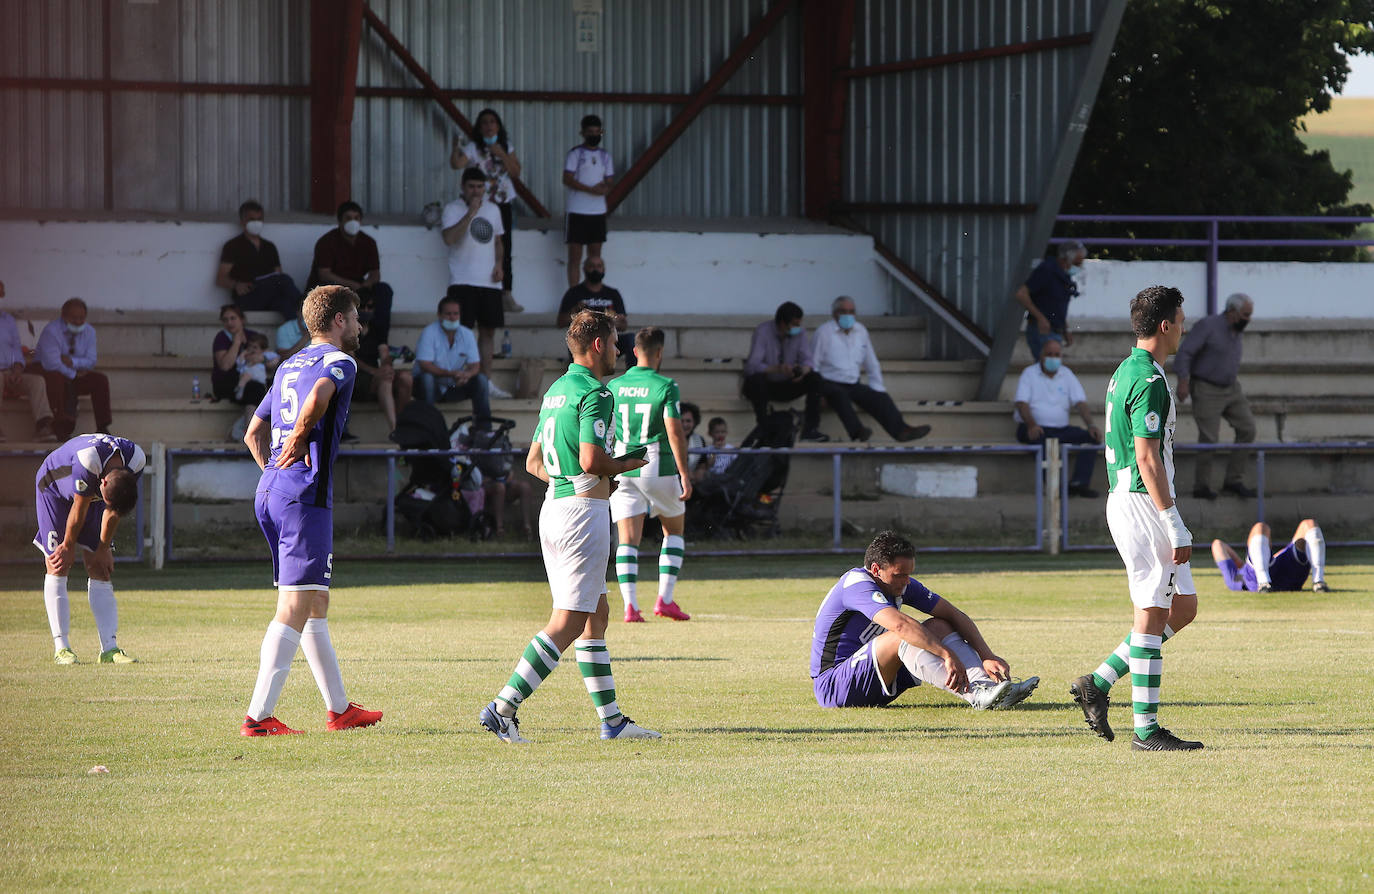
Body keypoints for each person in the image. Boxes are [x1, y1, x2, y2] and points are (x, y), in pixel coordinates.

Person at [479, 310, 660, 744]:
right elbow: (591, 461)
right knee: (569, 621)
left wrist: (577, 483)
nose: (619, 349)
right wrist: (627, 463)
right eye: (616, 341)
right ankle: (502, 708)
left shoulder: (556, 390)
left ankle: (613, 721)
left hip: (556, 508)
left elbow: (533, 463)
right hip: (582, 517)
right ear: (598, 344)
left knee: (596, 615)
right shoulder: (596, 393)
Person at [239, 285, 382, 736]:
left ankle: (339, 710)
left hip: (273, 491)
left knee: (315, 600)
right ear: (338, 320)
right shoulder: (338, 361)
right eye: (355, 316)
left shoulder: (287, 363)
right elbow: (320, 395)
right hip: (303, 495)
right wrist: (301, 438)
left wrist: (274, 475)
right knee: (295, 605)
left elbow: (253, 432)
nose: (359, 325)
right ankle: (258, 718)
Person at [1069, 285, 1204, 752]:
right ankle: (1146, 731)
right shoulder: (1148, 379)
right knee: (1149, 616)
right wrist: (1172, 520)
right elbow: (1147, 458)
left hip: (1139, 499)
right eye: (1181, 321)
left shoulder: (1125, 370)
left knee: (1182, 608)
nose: (1183, 328)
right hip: (1143, 503)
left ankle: (1098, 682)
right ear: (1165, 325)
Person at [810, 530, 1039, 710]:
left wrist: (987, 655)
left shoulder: (900, 583)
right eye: (900, 575)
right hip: (834, 686)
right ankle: (976, 696)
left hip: (875, 676)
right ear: (876, 569)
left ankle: (989, 689)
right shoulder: (856, 584)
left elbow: (953, 614)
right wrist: (946, 655)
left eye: (909, 574)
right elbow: (900, 625)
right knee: (903, 634)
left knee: (939, 625)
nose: (907, 581)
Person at [34, 433, 144, 664]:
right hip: (54, 490)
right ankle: (62, 648)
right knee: (59, 563)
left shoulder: (136, 460)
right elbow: (79, 507)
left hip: (90, 497)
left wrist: (103, 548)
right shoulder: (88, 459)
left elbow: (113, 510)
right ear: (102, 483)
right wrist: (67, 545)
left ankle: (109, 649)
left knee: (100, 567)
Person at [609, 327, 694, 624]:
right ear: (659, 353)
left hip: (622, 464)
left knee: (627, 539)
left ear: (634, 352)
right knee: (673, 531)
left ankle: (630, 607)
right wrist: (685, 473)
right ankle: (665, 599)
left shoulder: (616, 385)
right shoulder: (666, 385)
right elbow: (674, 430)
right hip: (656, 464)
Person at [811, 296, 931, 443]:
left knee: (880, 398)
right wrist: (817, 393)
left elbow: (871, 362)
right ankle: (857, 432)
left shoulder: (861, 331)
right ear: (834, 313)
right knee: (839, 395)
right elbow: (813, 365)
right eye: (843, 311)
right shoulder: (823, 333)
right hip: (829, 383)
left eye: (851, 311)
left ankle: (901, 431)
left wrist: (878, 387)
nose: (848, 315)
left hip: (853, 383)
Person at [1174, 292, 1257, 500]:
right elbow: (1185, 353)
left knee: (1248, 429)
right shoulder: (1208, 326)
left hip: (1231, 388)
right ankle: (1201, 487)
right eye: (1245, 314)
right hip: (1206, 388)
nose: (1248, 319)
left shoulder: (1236, 329)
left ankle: (1233, 481)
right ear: (1232, 311)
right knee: (1210, 439)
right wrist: (1183, 380)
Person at [442, 167, 510, 399]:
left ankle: (486, 382)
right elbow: (449, 238)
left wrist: (500, 264)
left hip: (489, 283)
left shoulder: (493, 209)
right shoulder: (452, 209)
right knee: (462, 334)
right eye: (471, 186)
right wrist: (471, 213)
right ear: (463, 187)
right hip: (462, 281)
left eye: (480, 187)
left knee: (488, 333)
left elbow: (499, 241)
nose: (476, 191)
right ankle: (461, 381)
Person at [450, 108, 525, 313]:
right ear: (479, 127)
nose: (489, 126)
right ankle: (483, 288)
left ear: (498, 126)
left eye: (493, 122)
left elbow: (516, 171)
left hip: (502, 202)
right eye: (484, 122)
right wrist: (455, 147)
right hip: (480, 204)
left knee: (505, 246)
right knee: (479, 244)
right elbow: (456, 164)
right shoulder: (474, 147)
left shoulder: (506, 146)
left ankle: (506, 293)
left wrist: (501, 153)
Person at [1013, 336, 1102, 497]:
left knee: (1091, 438)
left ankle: (1079, 484)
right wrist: (1032, 424)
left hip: (1060, 430)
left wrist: (1091, 425)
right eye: (1049, 354)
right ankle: (1055, 488)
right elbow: (1021, 404)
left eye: (1056, 354)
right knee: (1041, 442)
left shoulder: (1066, 374)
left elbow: (1080, 403)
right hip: (1034, 428)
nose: (1053, 358)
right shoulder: (1029, 374)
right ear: (1041, 355)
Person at [742, 301, 827, 441]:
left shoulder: (800, 333)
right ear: (782, 323)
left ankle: (811, 430)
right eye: (794, 324)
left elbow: (808, 361)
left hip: (789, 383)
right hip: (766, 385)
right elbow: (751, 366)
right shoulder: (763, 331)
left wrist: (801, 371)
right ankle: (764, 428)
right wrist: (776, 369)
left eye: (799, 324)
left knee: (815, 378)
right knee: (756, 380)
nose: (797, 328)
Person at [36, 298, 112, 440]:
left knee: (99, 380)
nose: (78, 321)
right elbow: (52, 363)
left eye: (81, 318)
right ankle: (59, 425)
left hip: (75, 372)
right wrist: (74, 373)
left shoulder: (89, 331)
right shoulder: (51, 331)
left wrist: (73, 362)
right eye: (74, 318)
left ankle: (103, 426)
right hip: (52, 374)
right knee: (57, 378)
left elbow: (91, 361)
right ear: (64, 316)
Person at [215, 200, 303, 320]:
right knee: (284, 280)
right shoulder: (233, 246)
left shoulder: (269, 247)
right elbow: (220, 279)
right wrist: (236, 285)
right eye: (252, 219)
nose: (256, 223)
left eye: (259, 219)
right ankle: (306, 306)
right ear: (242, 222)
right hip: (247, 298)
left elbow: (277, 275)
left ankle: (302, 334)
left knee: (286, 305)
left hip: (269, 296)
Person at [306, 200, 394, 312]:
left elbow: (375, 274)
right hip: (333, 287)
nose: (353, 222)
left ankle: (378, 329)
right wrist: (351, 285)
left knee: (384, 290)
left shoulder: (368, 242)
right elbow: (324, 274)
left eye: (356, 218)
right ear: (340, 221)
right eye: (348, 218)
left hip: (359, 287)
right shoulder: (326, 242)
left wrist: (366, 285)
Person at [412, 295, 490, 419]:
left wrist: (466, 375)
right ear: (439, 315)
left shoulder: (467, 334)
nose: (452, 318)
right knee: (427, 378)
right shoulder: (429, 332)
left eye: (456, 314)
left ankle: (483, 429)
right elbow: (425, 365)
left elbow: (475, 365)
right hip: (431, 385)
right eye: (448, 314)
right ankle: (427, 425)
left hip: (454, 385)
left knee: (481, 380)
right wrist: (451, 374)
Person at [353, 283, 413, 434]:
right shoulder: (348, 330)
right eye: (363, 307)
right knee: (385, 381)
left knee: (406, 378)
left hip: (376, 375)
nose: (367, 310)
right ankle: (396, 430)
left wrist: (386, 366)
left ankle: (403, 422)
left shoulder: (377, 328)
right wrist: (375, 372)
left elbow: (384, 353)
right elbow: (350, 358)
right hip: (357, 378)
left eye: (370, 306)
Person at [563, 114, 614, 289]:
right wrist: (590, 189)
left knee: (595, 259)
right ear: (583, 133)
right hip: (577, 211)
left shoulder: (605, 155)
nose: (594, 134)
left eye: (597, 131)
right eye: (590, 131)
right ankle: (574, 296)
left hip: (597, 212)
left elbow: (609, 180)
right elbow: (567, 179)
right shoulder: (575, 153)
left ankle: (593, 293)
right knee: (575, 258)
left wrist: (604, 188)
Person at [0, 279, 55, 441]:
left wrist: (17, 369)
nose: (1, 296)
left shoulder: (8, 320)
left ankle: (43, 425)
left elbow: (16, 348)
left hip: (10, 372)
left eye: (2, 293)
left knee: (37, 381)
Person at [1212, 518, 1329, 593]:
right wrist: (1240, 563)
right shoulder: (1235, 580)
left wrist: (1241, 565)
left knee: (1309, 524)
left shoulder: (1236, 577)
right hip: (1277, 579)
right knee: (1260, 527)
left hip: (1281, 574)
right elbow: (1217, 544)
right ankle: (1318, 581)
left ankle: (1318, 582)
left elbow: (1217, 544)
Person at [1015, 240, 1085, 360]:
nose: (1079, 267)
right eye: (1077, 263)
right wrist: (1040, 318)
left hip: (1056, 330)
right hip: (1042, 331)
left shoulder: (1064, 275)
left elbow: (1058, 307)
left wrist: (1066, 328)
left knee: (1052, 372)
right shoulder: (1047, 270)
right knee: (1046, 370)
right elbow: (1021, 294)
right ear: (1066, 259)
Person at [557, 256, 634, 363]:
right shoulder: (574, 293)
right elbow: (560, 322)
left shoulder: (613, 294)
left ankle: (633, 378)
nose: (595, 269)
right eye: (591, 266)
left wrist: (613, 321)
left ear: (604, 269)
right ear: (584, 269)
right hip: (586, 341)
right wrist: (575, 312)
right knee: (575, 342)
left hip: (609, 341)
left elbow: (623, 325)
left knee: (632, 339)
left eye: (599, 266)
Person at [235, 332, 277, 402]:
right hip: (248, 375)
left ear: (263, 349)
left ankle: (240, 389)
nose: (252, 349)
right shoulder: (247, 356)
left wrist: (264, 360)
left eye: (255, 347)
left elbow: (276, 357)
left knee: (246, 377)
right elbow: (239, 363)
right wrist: (243, 354)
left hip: (258, 375)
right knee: (245, 376)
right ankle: (240, 388)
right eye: (250, 346)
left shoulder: (264, 355)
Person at [679, 401, 708, 479]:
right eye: (681, 421)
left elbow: (702, 462)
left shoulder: (699, 440)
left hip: (693, 483)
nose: (685, 425)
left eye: (688, 421)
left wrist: (700, 471)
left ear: (694, 422)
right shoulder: (666, 440)